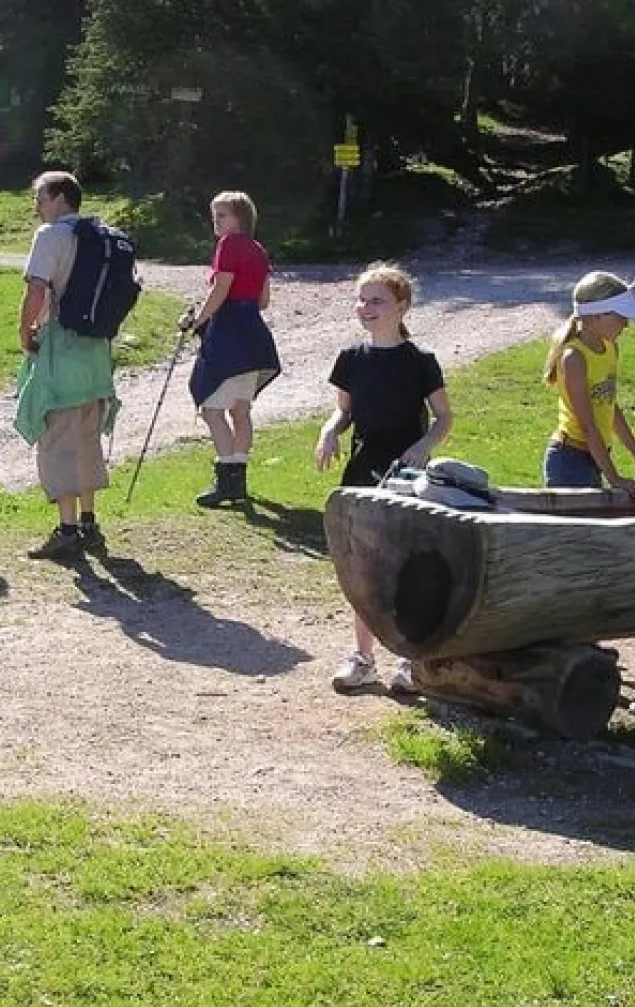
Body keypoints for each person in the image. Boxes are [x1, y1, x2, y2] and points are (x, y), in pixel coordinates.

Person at [315, 262, 452, 694]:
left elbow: (444, 418)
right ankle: (363, 658)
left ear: (402, 307)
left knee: (408, 567)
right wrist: (328, 431)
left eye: (377, 300)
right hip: (362, 469)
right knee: (364, 567)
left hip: (408, 474)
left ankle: (412, 661)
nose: (366, 307)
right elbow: (344, 409)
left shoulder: (421, 362)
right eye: (362, 300)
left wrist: (424, 446)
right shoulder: (351, 358)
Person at [13, 170, 122, 561]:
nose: (37, 207)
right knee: (86, 437)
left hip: (63, 348)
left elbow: (37, 289)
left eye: (40, 198)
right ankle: (90, 524)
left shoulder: (51, 236)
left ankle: (66, 530)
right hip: (96, 354)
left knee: (57, 441)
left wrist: (25, 331)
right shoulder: (102, 236)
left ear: (60, 197)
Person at [182, 190, 281, 507]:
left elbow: (221, 288)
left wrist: (197, 321)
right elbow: (263, 300)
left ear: (240, 217)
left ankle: (227, 478)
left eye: (223, 215)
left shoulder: (229, 244)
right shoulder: (258, 249)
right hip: (252, 331)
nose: (217, 220)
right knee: (241, 408)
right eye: (215, 214)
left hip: (228, 334)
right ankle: (237, 477)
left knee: (211, 408)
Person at [541, 271, 635, 494]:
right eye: (620, 316)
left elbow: (610, 407)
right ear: (595, 316)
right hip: (570, 461)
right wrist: (615, 479)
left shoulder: (610, 348)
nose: (626, 324)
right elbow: (587, 426)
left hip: (595, 456)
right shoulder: (574, 358)